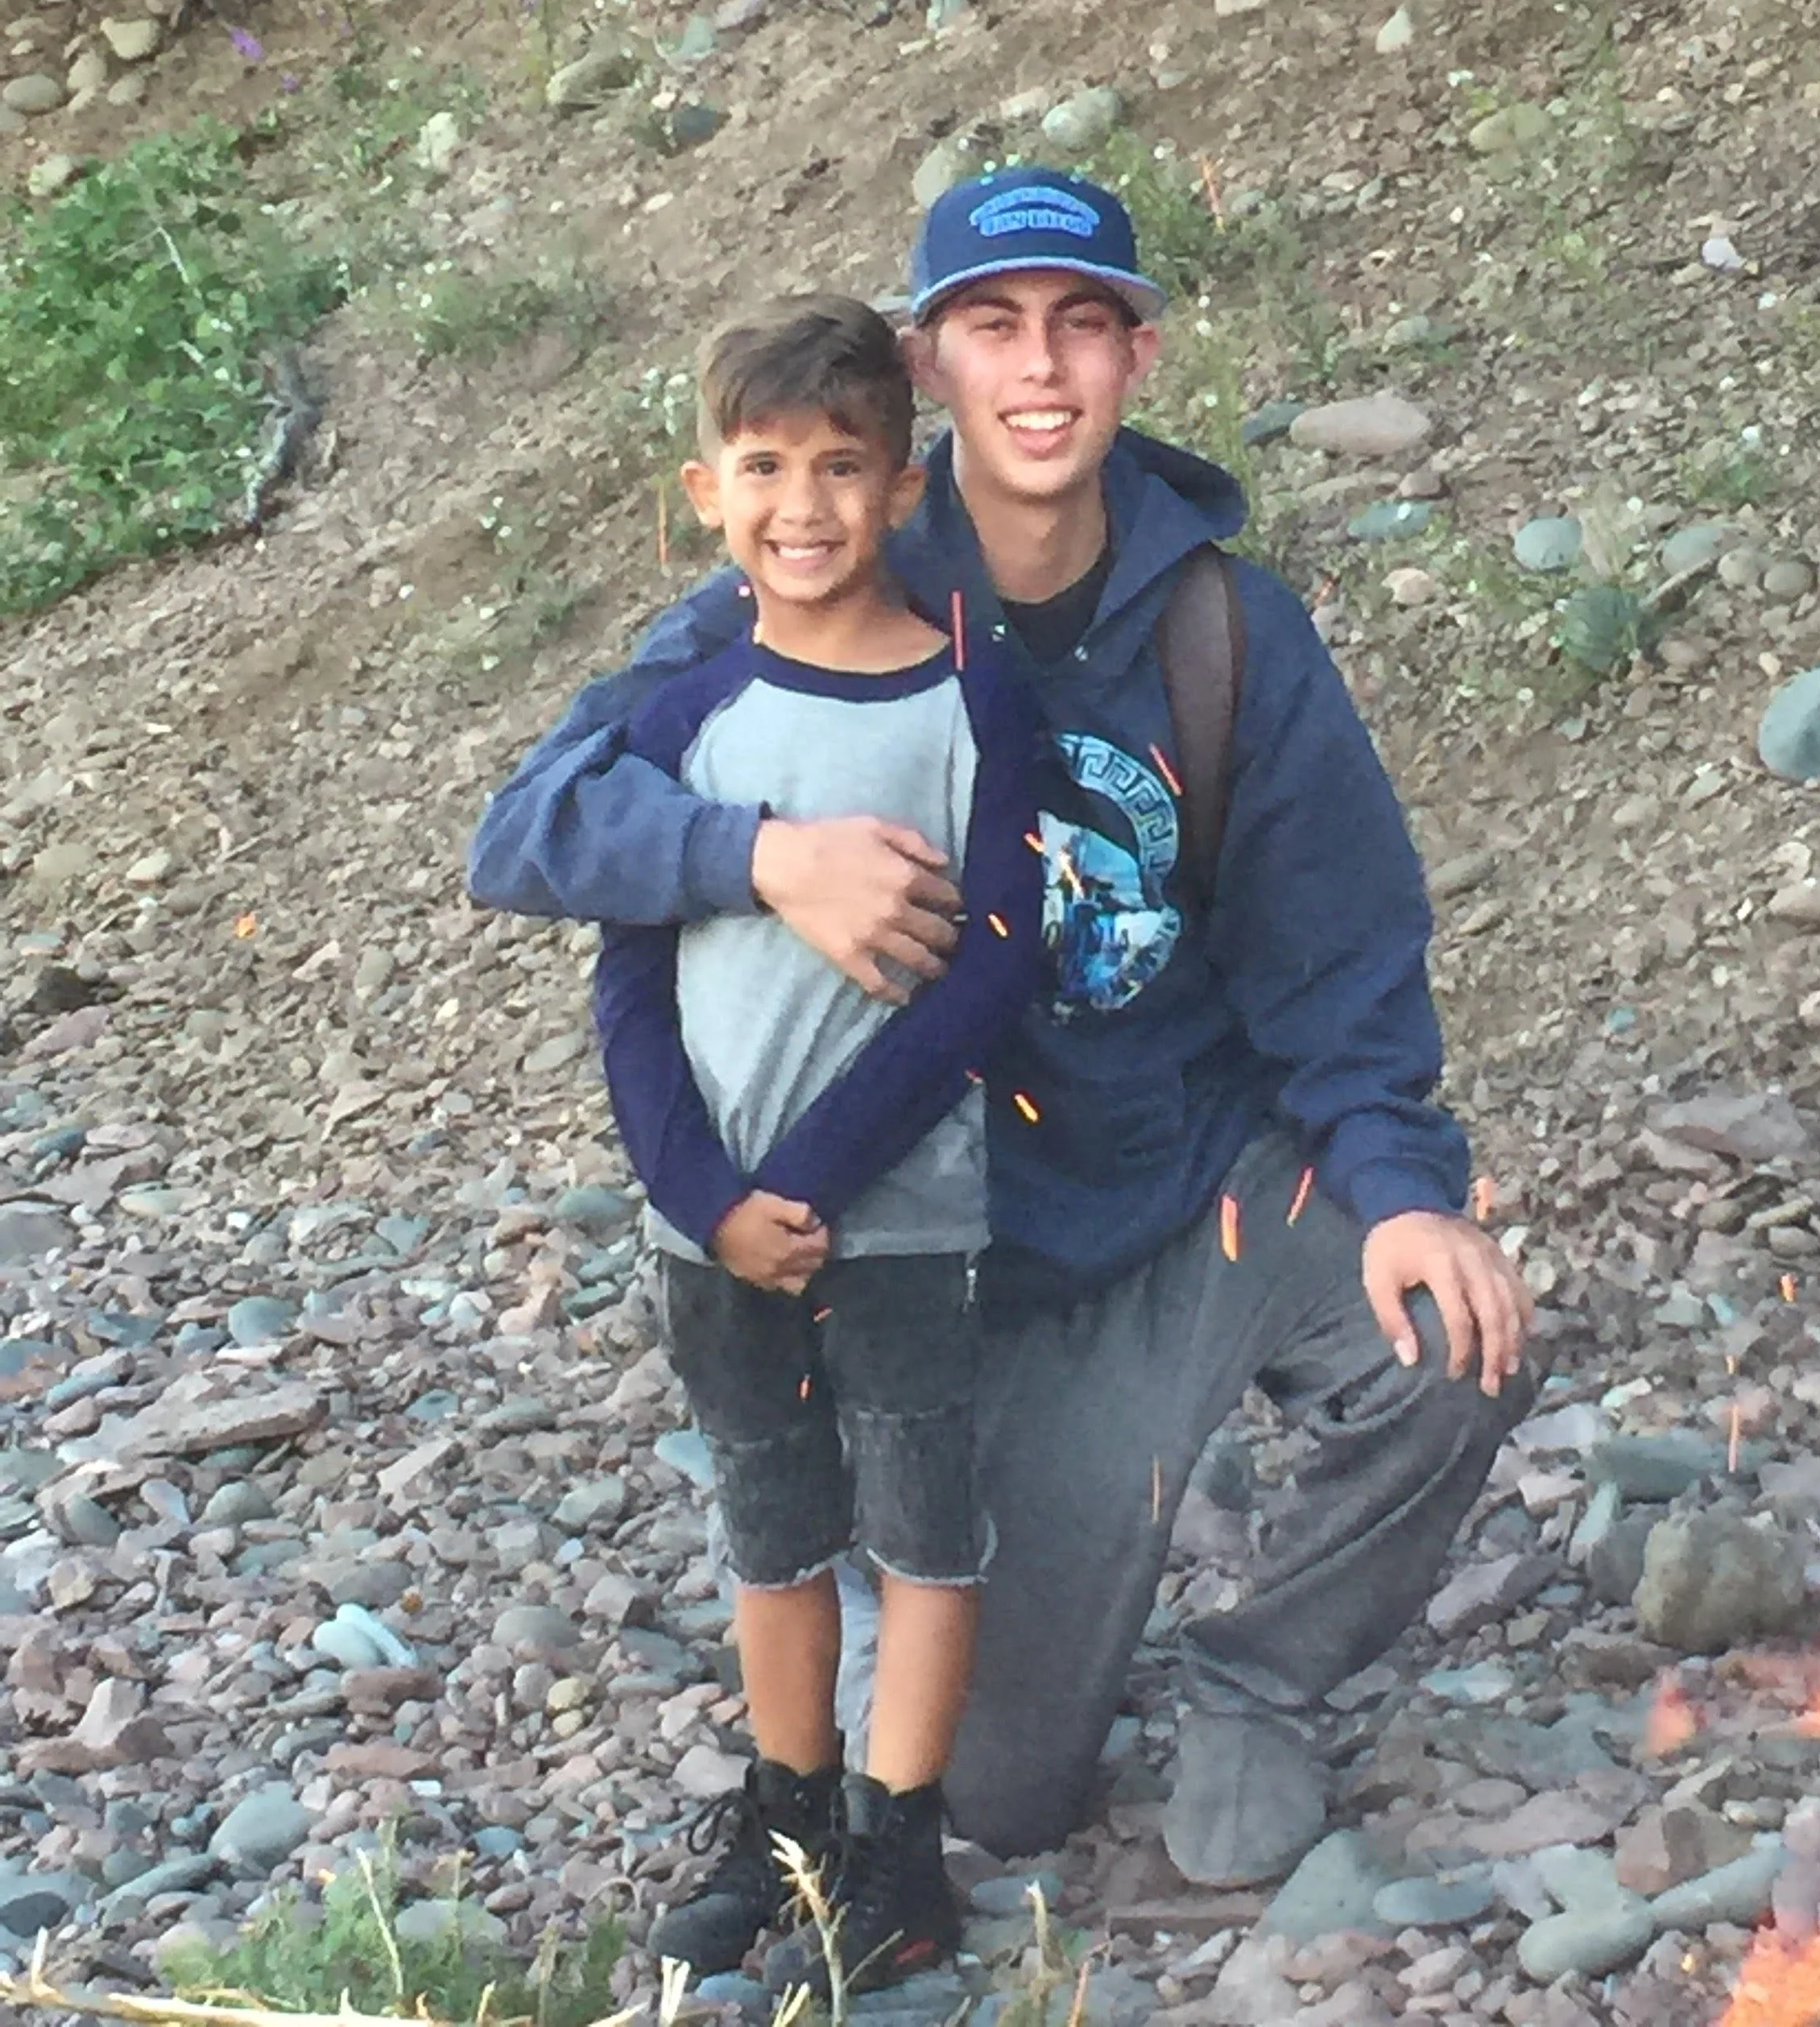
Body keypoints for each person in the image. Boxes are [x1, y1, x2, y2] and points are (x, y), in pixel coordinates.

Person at [469, 164, 1537, 1892]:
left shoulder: (1225, 630)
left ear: (1137, 359)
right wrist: (763, 857)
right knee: (990, 1798)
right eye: (993, 328)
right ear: (929, 369)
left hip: (1205, 1191)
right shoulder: (818, 585)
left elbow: (1340, 953)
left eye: (1081, 327)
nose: (1039, 369)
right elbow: (528, 830)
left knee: (1455, 1337)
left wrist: (1407, 1185)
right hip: (969, 1274)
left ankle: (1261, 1676)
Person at [590, 297, 1047, 1994]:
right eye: (766, 467)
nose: (803, 504)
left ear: (906, 486)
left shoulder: (963, 698)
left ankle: (899, 1849)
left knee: (925, 1531)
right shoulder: (678, 722)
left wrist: (822, 1182)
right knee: (773, 1530)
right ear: (705, 493)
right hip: (713, 1234)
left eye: (842, 466)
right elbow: (629, 989)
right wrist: (707, 1202)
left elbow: (992, 970)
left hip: (907, 1222)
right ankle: (788, 1822)